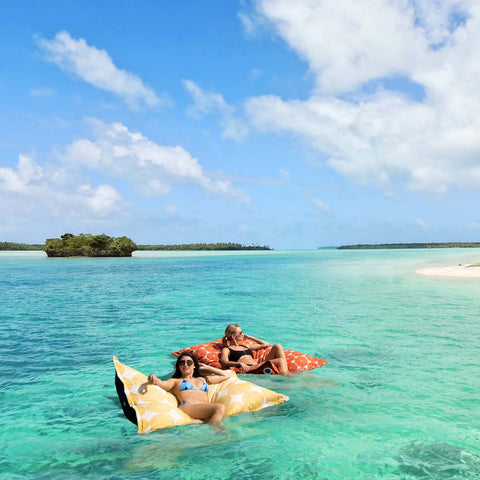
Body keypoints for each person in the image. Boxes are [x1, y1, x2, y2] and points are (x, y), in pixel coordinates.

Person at [146, 352, 231, 426]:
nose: (185, 364)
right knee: (220, 408)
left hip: (203, 408)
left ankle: (215, 430)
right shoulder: (176, 381)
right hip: (188, 406)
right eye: (182, 363)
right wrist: (154, 377)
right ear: (179, 366)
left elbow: (226, 375)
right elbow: (163, 384)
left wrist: (207, 367)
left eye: (189, 362)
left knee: (220, 409)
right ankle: (216, 432)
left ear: (194, 366)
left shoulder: (203, 379)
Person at [220, 323, 289, 375]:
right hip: (251, 368)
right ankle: (286, 378)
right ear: (233, 336)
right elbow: (224, 362)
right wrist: (239, 363)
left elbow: (265, 344)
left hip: (259, 365)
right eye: (240, 333)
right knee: (280, 360)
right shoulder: (227, 349)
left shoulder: (245, 346)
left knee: (277, 346)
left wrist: (250, 337)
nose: (242, 334)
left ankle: (286, 372)